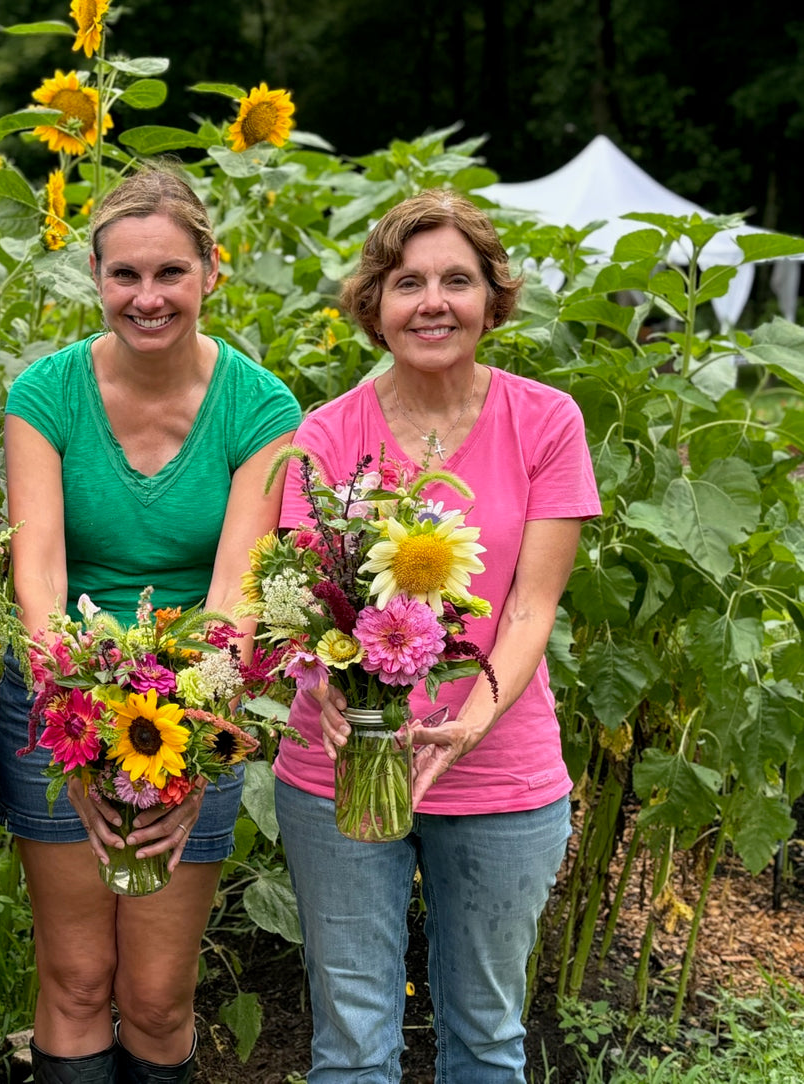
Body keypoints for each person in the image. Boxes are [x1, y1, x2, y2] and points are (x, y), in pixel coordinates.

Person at [273, 188, 600, 1084]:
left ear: (492, 300)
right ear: (374, 304)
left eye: (457, 280)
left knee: (487, 1039)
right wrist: (320, 691)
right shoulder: (326, 435)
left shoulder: (544, 421)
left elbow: (531, 608)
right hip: (342, 764)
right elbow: (305, 604)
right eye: (408, 281)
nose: (433, 302)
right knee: (350, 1045)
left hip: (501, 771)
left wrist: (473, 719)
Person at [0, 169, 301, 1083]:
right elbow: (39, 579)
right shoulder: (45, 396)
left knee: (159, 993)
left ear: (212, 271)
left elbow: (234, 600)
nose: (148, 296)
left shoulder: (260, 408)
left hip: (198, 704)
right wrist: (84, 743)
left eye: (170, 272)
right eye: (124, 275)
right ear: (94, 277)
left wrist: (186, 746)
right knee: (79, 976)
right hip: (59, 703)